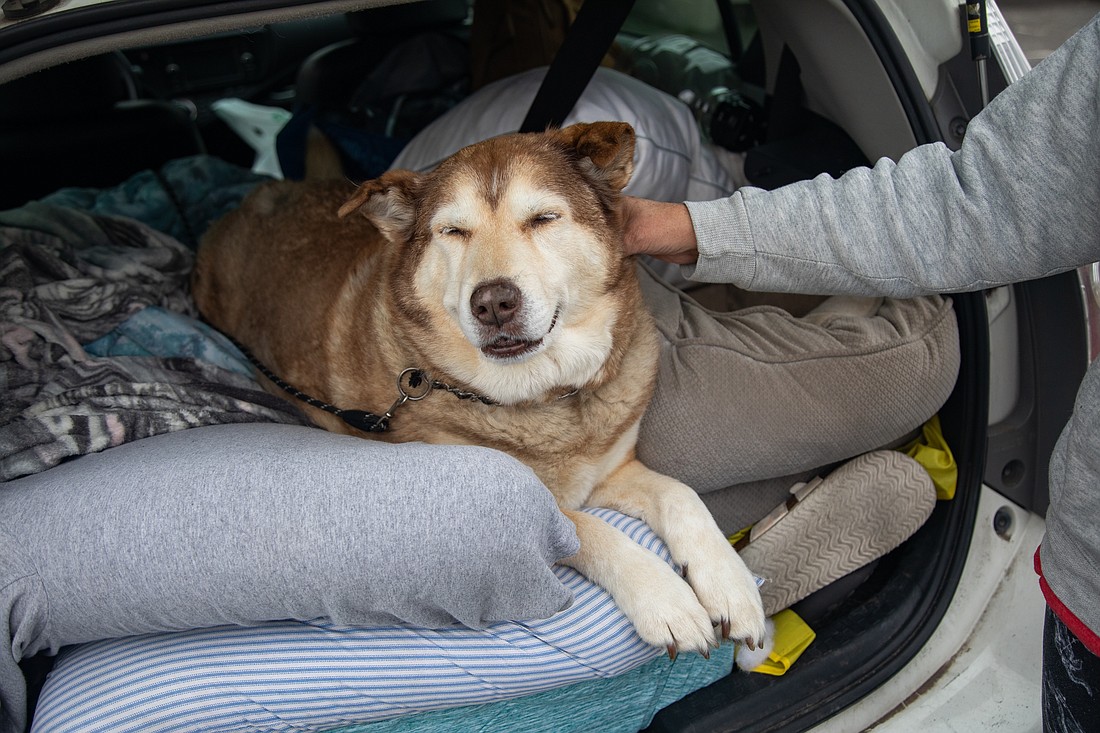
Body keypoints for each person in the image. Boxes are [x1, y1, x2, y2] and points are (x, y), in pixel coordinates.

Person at [621, 13, 1100, 732]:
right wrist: (684, 230)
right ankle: (756, 546)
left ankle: (747, 551)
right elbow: (974, 203)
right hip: (1088, 594)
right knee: (908, 362)